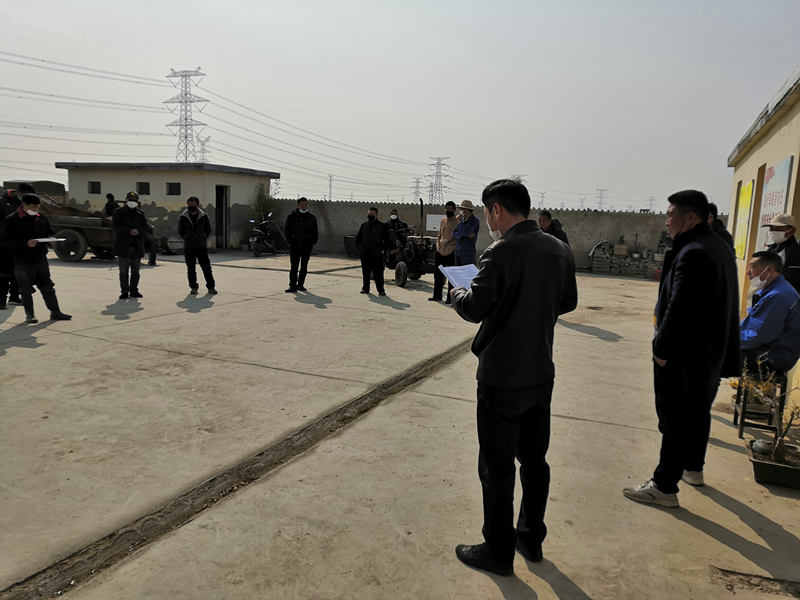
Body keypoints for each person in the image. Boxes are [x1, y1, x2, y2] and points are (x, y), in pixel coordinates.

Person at [450, 179, 578, 577]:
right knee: (534, 461)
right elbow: (568, 301)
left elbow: (475, 308)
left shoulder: (499, 252)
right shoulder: (559, 249)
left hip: (501, 375)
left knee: (497, 467)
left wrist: (456, 293)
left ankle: (497, 550)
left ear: (496, 210)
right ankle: (530, 537)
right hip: (540, 371)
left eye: (487, 212)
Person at [624, 190, 740, 507]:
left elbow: (680, 309)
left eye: (670, 214)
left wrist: (661, 350)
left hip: (686, 355)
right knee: (695, 413)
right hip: (708, 353)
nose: (667, 221)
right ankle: (692, 467)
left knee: (675, 420)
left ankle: (664, 486)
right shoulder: (718, 245)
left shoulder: (695, 252)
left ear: (689, 218)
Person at [1, 194, 71, 323]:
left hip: (40, 258)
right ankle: (30, 315)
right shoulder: (12, 219)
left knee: (47, 286)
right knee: (25, 288)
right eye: (33, 207)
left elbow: (49, 232)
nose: (35, 210)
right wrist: (25, 243)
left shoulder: (41, 217)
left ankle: (55, 312)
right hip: (22, 260)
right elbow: (5, 241)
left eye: (38, 207)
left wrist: (51, 239)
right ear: (24, 205)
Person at [740, 251, 800, 375]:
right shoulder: (775, 290)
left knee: (717, 353)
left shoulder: (778, 296)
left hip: (774, 356)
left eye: (753, 267)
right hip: (767, 349)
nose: (748, 272)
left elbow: (756, 337)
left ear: (768, 270)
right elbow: (750, 325)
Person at [0, 183, 34, 309]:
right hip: (4, 244)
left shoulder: (23, 204)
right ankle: (1, 299)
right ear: (18, 193)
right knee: (4, 272)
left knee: (18, 271)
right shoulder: (2, 202)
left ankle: (14, 297)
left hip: (19, 244)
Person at [112, 191, 152, 299]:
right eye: (130, 200)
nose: (132, 202)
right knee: (123, 271)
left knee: (136, 271)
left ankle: (134, 290)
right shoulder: (118, 212)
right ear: (126, 200)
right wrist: (128, 231)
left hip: (136, 246)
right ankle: (124, 291)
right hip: (123, 246)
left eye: (134, 200)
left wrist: (138, 231)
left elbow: (145, 227)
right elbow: (115, 226)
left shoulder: (140, 213)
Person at [178, 196, 216, 295]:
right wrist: (188, 238)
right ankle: (193, 287)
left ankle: (211, 287)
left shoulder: (204, 216)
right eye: (189, 205)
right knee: (191, 268)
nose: (191, 207)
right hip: (189, 247)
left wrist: (202, 238)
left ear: (197, 205)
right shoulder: (183, 217)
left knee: (206, 268)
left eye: (193, 205)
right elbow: (181, 231)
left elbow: (208, 229)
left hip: (201, 246)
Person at [284, 197, 319, 293]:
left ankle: (300, 284)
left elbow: (315, 232)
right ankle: (292, 285)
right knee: (294, 266)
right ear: (298, 205)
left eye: (305, 205)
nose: (304, 207)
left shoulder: (311, 218)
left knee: (304, 266)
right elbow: (287, 231)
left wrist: (312, 242)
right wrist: (291, 242)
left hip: (307, 245)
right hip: (295, 245)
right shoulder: (292, 217)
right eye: (302, 205)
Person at [355, 206, 389, 296]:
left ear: (376, 215)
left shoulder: (382, 226)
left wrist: (383, 249)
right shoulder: (364, 226)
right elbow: (358, 239)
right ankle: (365, 288)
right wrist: (360, 248)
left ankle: (381, 290)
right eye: (369, 214)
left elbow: (387, 240)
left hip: (377, 253)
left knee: (378, 273)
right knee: (366, 272)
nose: (370, 215)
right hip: (365, 252)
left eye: (372, 214)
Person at [764, 214, 800, 293]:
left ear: (792, 231)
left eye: (778, 229)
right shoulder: (770, 251)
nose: (774, 232)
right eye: (772, 229)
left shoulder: (796, 253)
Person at [430, 201, 458, 303]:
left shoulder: (458, 221)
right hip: (441, 250)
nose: (449, 211)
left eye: (451, 209)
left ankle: (450, 298)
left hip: (451, 251)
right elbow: (439, 234)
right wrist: (438, 245)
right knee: (438, 275)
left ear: (454, 210)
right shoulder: (443, 220)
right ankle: (437, 296)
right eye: (447, 209)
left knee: (451, 276)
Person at [452, 200, 480, 266]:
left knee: (469, 271)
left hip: (468, 252)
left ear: (468, 210)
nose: (462, 211)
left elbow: (466, 232)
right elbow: (454, 233)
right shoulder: (462, 221)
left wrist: (460, 223)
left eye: (463, 209)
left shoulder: (474, 221)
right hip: (458, 252)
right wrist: (463, 235)